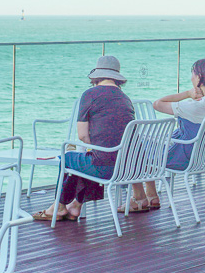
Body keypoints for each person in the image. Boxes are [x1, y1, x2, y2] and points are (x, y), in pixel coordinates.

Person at [33, 55, 135, 222]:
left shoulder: (89, 95)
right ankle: (75, 206)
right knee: (89, 158)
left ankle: (58, 207)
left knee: (69, 158)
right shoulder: (126, 99)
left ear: (97, 76)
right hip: (126, 167)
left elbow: (82, 135)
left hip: (106, 169)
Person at [122, 58, 205, 213]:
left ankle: (140, 198)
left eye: (192, 74)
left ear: (199, 78)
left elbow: (157, 103)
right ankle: (151, 195)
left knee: (134, 146)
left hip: (183, 158)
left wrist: (187, 93)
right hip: (201, 156)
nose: (191, 78)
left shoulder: (194, 106)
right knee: (143, 146)